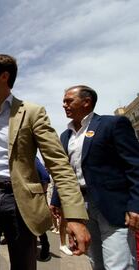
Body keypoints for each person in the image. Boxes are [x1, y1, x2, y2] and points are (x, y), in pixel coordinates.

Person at [0, 54, 90, 270]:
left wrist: (74, 216)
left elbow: (58, 163)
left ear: (4, 76)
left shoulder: (32, 112)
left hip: (20, 200)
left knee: (23, 264)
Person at [51, 85, 139, 269]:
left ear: (86, 102)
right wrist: (56, 200)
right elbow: (64, 171)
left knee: (118, 263)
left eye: (69, 101)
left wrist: (135, 204)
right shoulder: (65, 136)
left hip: (112, 206)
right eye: (64, 101)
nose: (64, 105)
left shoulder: (112, 124)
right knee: (95, 261)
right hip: (81, 206)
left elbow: (134, 165)